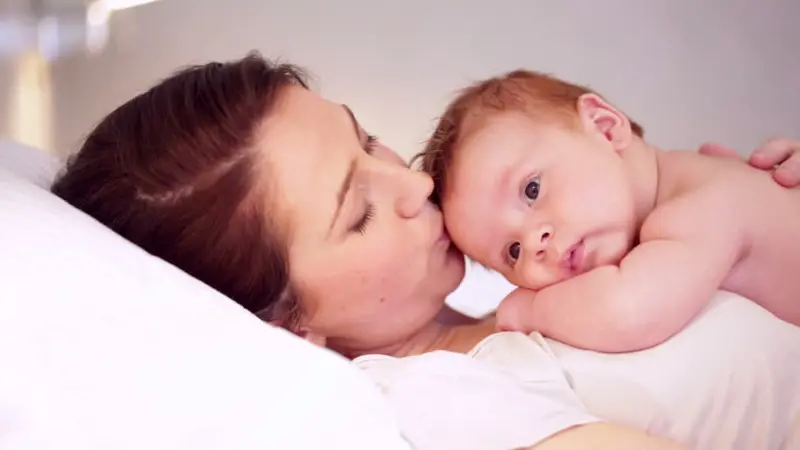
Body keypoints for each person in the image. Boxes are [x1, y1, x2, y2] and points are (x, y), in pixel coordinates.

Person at [50, 53, 800, 450]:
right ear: (288, 323)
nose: (411, 183)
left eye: (367, 139)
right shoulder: (438, 397)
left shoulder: (515, 290)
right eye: (360, 211)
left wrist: (754, 207)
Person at [417, 69, 800, 352]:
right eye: (512, 252)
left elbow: (626, 312)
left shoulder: (699, 209)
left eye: (532, 189)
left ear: (603, 126)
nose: (534, 241)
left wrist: (530, 310)